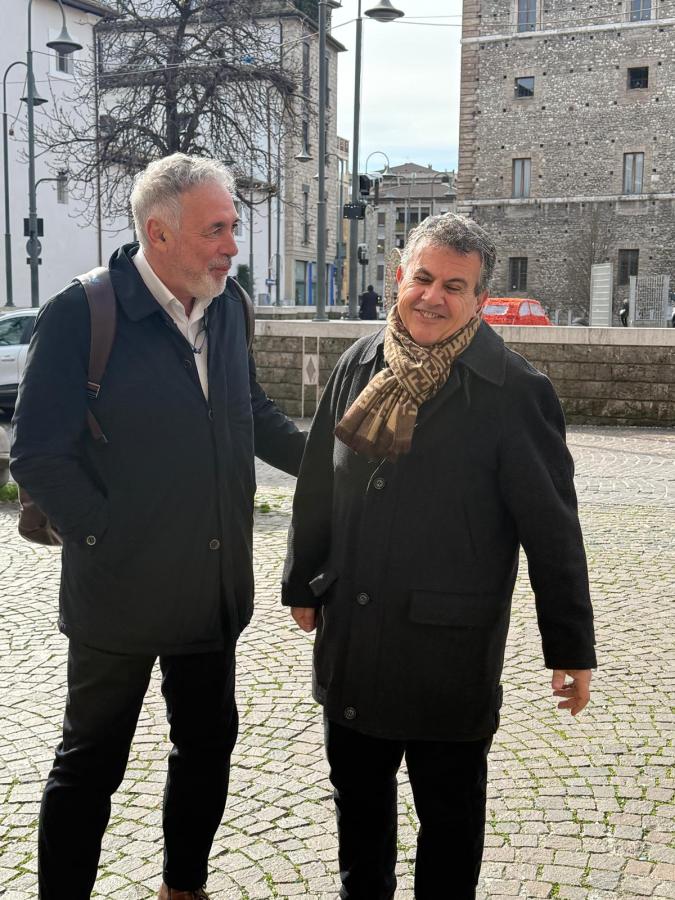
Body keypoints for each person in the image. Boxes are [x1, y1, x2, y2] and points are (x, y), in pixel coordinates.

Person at [11, 153, 306, 900]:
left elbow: (254, 415)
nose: (231, 245)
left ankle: (184, 888)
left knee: (206, 748)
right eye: (216, 229)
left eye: (232, 226)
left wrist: (337, 464)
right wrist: (106, 537)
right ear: (158, 233)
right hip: (118, 594)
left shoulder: (229, 304)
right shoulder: (84, 312)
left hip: (211, 589)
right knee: (91, 763)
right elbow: (37, 456)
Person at [282, 213, 596, 900]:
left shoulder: (514, 392)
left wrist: (569, 648)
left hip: (446, 657)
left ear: (478, 300)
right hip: (354, 643)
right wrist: (303, 584)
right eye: (422, 278)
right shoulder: (356, 363)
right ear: (400, 275)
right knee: (359, 824)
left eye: (454, 286)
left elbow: (552, 533)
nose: (432, 296)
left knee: (448, 830)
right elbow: (316, 486)